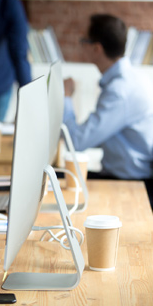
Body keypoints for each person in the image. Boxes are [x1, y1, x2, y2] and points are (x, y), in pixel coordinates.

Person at [63, 14, 153, 205]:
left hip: (132, 185)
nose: (82, 46)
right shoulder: (129, 79)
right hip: (126, 176)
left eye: (83, 41)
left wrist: (66, 97)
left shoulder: (119, 92)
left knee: (59, 187)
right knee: (59, 181)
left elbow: (76, 142)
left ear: (96, 48)